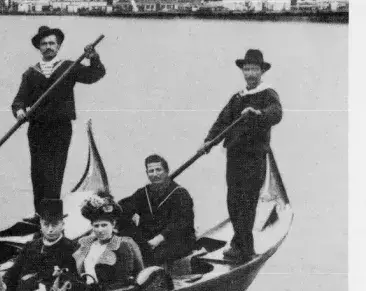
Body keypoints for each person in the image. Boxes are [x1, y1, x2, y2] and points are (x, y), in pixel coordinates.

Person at [198, 49, 283, 264]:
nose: (250, 73)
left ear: (262, 71)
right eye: (246, 69)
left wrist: (259, 114)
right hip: (234, 156)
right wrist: (209, 141)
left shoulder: (268, 93)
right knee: (233, 201)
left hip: (253, 157)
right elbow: (222, 121)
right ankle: (239, 242)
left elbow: (276, 112)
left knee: (247, 201)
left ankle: (244, 248)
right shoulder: (237, 97)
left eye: (254, 69)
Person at [11, 25, 106, 213]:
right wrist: (20, 111)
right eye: (44, 44)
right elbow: (18, 101)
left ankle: (52, 216)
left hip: (60, 127)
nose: (48, 47)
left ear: (59, 46)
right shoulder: (30, 73)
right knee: (38, 173)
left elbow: (95, 75)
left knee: (54, 172)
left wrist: (93, 57)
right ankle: (39, 215)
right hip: (37, 128)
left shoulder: (68, 67)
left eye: (52, 43)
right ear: (39, 47)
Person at [118, 154, 197, 270]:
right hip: (150, 241)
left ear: (166, 171)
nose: (155, 174)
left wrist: (158, 239)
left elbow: (182, 223)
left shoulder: (180, 193)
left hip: (176, 240)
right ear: (147, 174)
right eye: (151, 171)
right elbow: (124, 208)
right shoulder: (143, 193)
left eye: (158, 170)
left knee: (151, 257)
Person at [2, 198, 82, 291]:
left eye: (54, 225)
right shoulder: (30, 246)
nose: (50, 230)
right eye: (46, 224)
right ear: (40, 224)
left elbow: (72, 281)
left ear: (63, 224)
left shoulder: (71, 248)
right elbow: (13, 272)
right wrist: (2, 284)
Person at [72, 195, 145, 291]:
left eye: (104, 225)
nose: (100, 230)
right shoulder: (85, 244)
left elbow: (123, 280)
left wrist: (99, 289)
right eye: (96, 226)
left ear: (113, 224)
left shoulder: (122, 245)